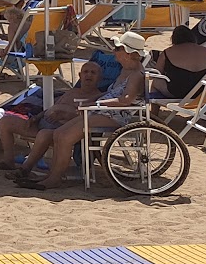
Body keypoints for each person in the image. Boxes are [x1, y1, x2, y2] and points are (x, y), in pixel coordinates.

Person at [12, 34, 148, 189]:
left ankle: (54, 179)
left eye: (117, 48)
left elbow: (126, 99)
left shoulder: (136, 75)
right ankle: (54, 175)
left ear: (129, 53)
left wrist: (97, 103)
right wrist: (92, 103)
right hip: (103, 111)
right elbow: (113, 94)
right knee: (58, 134)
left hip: (114, 114)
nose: (114, 51)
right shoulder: (126, 70)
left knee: (65, 137)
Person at [0, 61, 102, 171]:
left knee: (43, 134)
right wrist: (36, 118)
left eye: (93, 73)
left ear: (99, 77)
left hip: (60, 133)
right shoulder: (71, 92)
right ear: (80, 75)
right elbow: (52, 108)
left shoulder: (98, 97)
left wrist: (67, 115)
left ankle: (25, 169)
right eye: (86, 72)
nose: (89, 75)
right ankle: (8, 162)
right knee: (6, 122)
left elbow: (90, 118)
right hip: (42, 124)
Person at [151, 26, 206, 100]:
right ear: (192, 37)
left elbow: (157, 73)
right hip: (202, 92)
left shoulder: (168, 52)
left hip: (176, 91)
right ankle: (205, 111)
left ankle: (154, 111)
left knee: (156, 81)